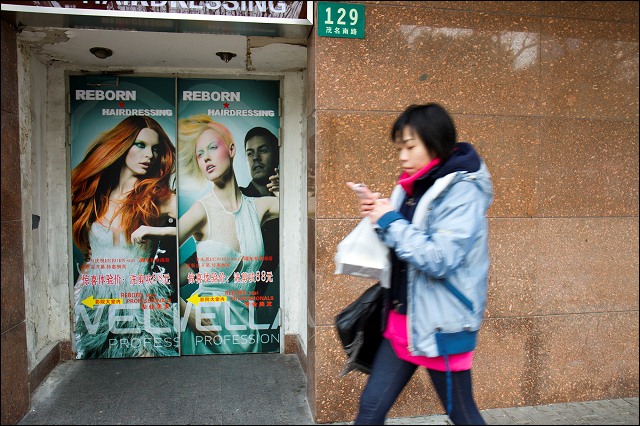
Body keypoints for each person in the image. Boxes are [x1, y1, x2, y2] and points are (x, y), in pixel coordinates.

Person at [347, 103, 493, 425]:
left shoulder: (462, 190)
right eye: (399, 148)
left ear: (436, 141)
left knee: (462, 413)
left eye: (410, 147)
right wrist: (378, 215)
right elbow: (401, 243)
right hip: (401, 322)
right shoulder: (409, 187)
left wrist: (390, 221)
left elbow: (440, 258)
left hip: (441, 325)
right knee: (370, 409)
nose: (402, 156)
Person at [71, 115, 178, 359]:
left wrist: (156, 230)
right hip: (96, 303)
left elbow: (204, 226)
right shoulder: (97, 195)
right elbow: (91, 257)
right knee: (98, 376)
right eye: (140, 145)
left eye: (155, 148)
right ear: (122, 145)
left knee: (146, 373)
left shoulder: (158, 197)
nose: (149, 154)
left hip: (140, 303)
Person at [177, 115, 279, 355]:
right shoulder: (206, 209)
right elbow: (172, 269)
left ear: (231, 150)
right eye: (200, 154)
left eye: (213, 147)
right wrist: (188, 312)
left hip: (246, 324)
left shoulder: (260, 206)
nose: (207, 158)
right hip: (207, 325)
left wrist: (295, 188)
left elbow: (312, 208)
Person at [240, 126, 280, 294]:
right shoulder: (237, 199)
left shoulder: (293, 197)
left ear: (277, 155)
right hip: (239, 299)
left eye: (263, 151)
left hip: (280, 297)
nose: (256, 158)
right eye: (250, 153)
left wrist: (283, 195)